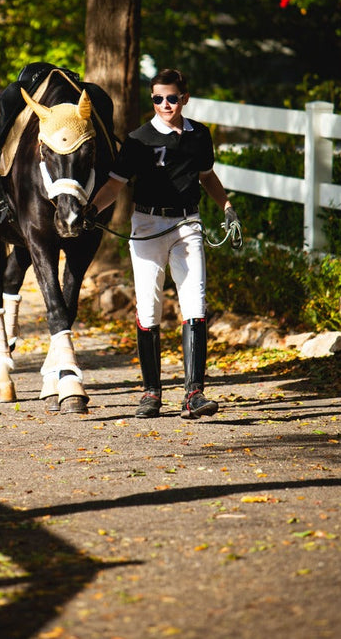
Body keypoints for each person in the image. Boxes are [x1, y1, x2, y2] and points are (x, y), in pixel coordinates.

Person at [85, 68, 240, 420]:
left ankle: (194, 394)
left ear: (184, 98)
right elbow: (114, 185)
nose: (164, 104)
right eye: (157, 98)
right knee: (149, 306)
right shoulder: (138, 140)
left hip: (188, 223)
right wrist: (92, 209)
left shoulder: (199, 135)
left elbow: (206, 176)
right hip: (148, 224)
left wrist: (226, 207)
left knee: (195, 302)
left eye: (171, 98)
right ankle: (151, 393)